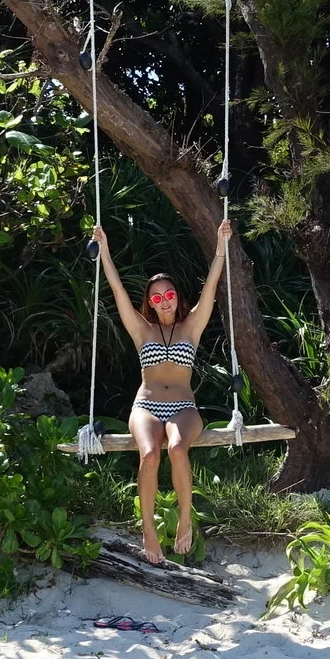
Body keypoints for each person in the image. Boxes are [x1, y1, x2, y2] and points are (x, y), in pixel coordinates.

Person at [90, 219, 232, 564]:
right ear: (150, 303)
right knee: (151, 454)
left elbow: (211, 287)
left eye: (169, 295)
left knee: (179, 448)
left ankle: (185, 521)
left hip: (183, 406)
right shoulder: (142, 330)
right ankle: (149, 531)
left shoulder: (190, 327)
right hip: (147, 406)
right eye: (157, 297)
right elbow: (118, 290)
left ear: (176, 298)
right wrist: (104, 251)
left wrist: (220, 247)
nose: (165, 301)